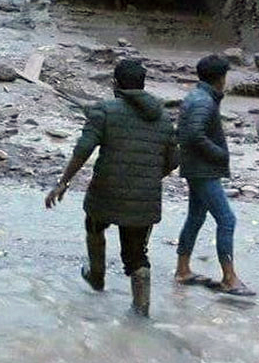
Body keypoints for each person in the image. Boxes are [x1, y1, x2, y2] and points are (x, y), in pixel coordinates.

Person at [44, 59, 178, 317]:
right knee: (137, 255)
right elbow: (173, 160)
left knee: (94, 227)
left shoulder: (104, 110)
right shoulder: (162, 116)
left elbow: (84, 149)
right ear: (142, 85)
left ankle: (97, 276)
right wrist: (149, 176)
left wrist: (63, 182)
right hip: (144, 198)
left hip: (106, 190)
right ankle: (141, 313)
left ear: (115, 85)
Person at [175, 55, 254, 296]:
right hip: (203, 170)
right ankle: (229, 278)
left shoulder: (200, 97)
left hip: (197, 167)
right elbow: (194, 135)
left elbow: (191, 133)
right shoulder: (203, 102)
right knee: (227, 220)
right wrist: (219, 153)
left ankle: (183, 270)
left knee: (196, 217)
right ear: (221, 78)